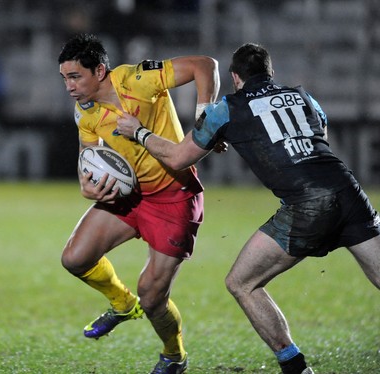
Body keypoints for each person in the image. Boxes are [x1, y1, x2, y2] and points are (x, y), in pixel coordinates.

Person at [116, 42, 380, 374]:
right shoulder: (304, 97)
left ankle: (296, 368)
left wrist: (138, 132)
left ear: (235, 77)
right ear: (270, 73)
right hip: (348, 189)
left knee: (242, 283)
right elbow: (317, 139)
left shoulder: (227, 108)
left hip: (307, 204)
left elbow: (177, 158)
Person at [58, 33, 220, 374]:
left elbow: (205, 66)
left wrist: (207, 119)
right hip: (130, 195)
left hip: (174, 196)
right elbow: (87, 157)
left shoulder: (138, 78)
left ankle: (174, 356)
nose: (69, 86)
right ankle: (121, 303)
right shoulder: (84, 112)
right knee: (75, 258)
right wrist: (87, 186)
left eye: (75, 76)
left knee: (153, 297)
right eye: (65, 78)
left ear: (100, 71)